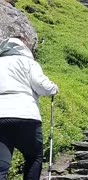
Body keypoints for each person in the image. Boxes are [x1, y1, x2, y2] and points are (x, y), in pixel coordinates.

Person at [0, 37, 58, 180]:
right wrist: (54, 89)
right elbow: (42, 86)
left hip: (1, 116)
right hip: (26, 115)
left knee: (1, 164)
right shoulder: (29, 63)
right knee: (34, 157)